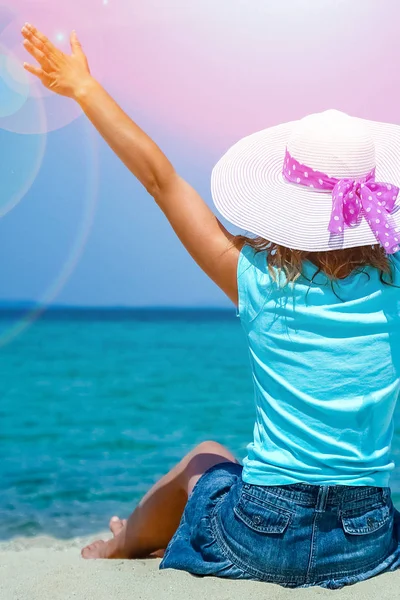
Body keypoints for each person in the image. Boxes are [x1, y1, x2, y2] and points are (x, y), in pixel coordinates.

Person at [20, 23, 400, 590]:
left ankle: (120, 544)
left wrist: (84, 89)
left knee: (203, 458)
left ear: (285, 202)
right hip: (366, 541)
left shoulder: (255, 278)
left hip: (259, 535)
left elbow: (161, 180)